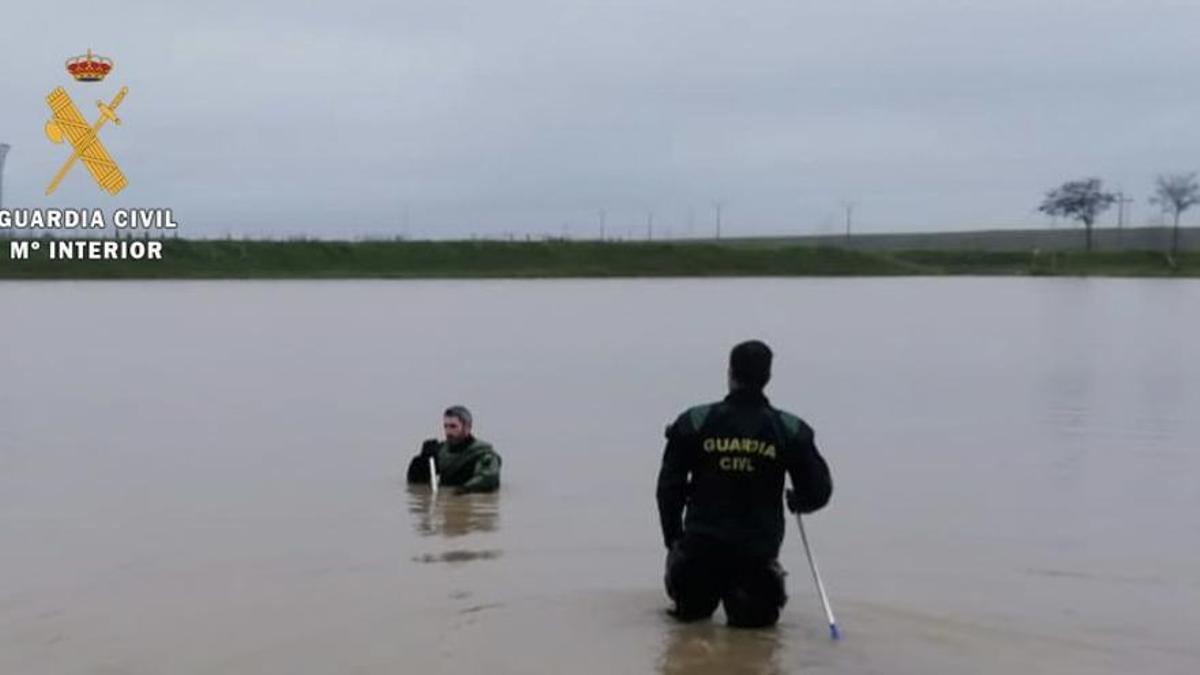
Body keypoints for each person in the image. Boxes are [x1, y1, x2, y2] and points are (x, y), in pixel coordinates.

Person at [656, 340, 833, 628]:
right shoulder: (789, 430)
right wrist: (799, 500)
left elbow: (668, 489)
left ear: (730, 373)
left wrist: (674, 541)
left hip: (698, 556)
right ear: (768, 377)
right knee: (755, 645)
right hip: (756, 559)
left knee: (687, 636)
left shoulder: (695, 422)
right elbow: (819, 491)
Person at [407, 405, 502, 494]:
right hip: (446, 503)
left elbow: (488, 479)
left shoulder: (483, 454)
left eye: (453, 426)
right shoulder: (441, 450)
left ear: (467, 428)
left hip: (467, 502)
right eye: (445, 426)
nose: (448, 432)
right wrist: (423, 460)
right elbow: (415, 483)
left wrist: (458, 492)